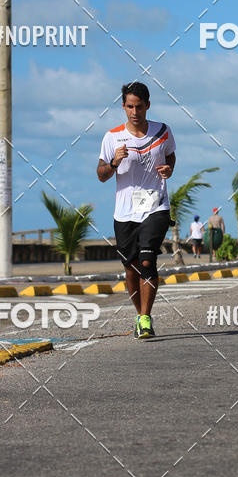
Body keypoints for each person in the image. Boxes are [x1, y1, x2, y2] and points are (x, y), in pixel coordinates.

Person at [97, 81, 176, 339]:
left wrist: (168, 168)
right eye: (129, 107)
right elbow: (101, 175)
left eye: (139, 107)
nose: (134, 112)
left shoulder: (162, 131)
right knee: (131, 269)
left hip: (155, 206)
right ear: (123, 106)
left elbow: (170, 155)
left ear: (147, 106)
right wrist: (114, 162)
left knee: (146, 260)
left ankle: (145, 317)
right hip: (125, 212)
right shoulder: (112, 137)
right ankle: (139, 313)